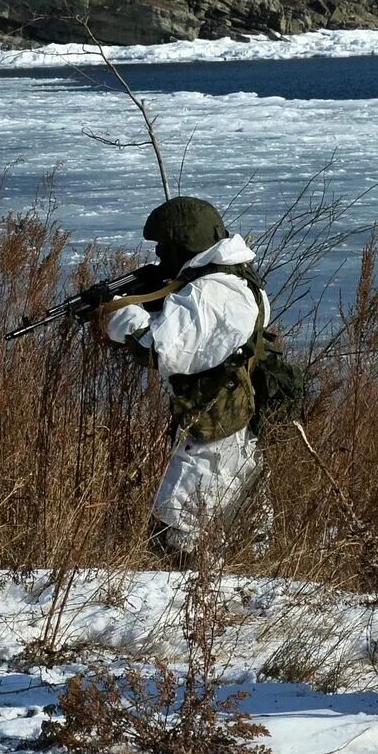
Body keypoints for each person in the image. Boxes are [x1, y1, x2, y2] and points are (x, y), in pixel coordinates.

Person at [95, 196, 273, 554]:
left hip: (213, 427)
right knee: (245, 538)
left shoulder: (213, 292)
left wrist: (118, 315)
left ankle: (194, 606)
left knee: (176, 534)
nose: (161, 254)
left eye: (166, 247)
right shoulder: (234, 278)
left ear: (184, 243)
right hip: (234, 420)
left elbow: (159, 348)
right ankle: (237, 602)